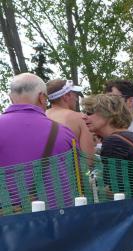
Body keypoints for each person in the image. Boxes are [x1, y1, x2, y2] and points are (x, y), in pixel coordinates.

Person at [0, 73, 77, 208]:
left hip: (7, 217)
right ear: (42, 97)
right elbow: (78, 176)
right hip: (54, 216)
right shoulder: (64, 133)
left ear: (11, 98)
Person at [82, 94, 133, 195]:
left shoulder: (113, 142)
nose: (84, 117)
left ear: (108, 114)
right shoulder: (131, 136)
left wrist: (93, 190)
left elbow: (116, 191)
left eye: (89, 113)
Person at [45, 79, 94, 158]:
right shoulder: (81, 119)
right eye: (74, 94)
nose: (76, 99)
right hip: (69, 166)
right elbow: (88, 159)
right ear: (66, 96)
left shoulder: (41, 116)